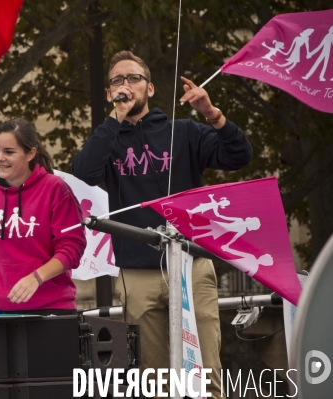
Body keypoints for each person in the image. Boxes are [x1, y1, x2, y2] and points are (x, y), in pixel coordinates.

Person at [72, 51, 252, 398]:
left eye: (133, 78)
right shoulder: (108, 141)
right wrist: (114, 120)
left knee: (205, 372)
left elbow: (239, 156)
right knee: (154, 381)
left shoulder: (182, 132)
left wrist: (211, 114)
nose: (126, 85)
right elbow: (83, 173)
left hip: (191, 264)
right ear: (110, 94)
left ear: (150, 88)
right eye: (117, 81)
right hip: (138, 271)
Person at [0, 118, 86, 316]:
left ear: (30, 153)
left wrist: (37, 277)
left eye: (9, 152)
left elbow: (72, 248)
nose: (0, 158)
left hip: (50, 310)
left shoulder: (55, 189)